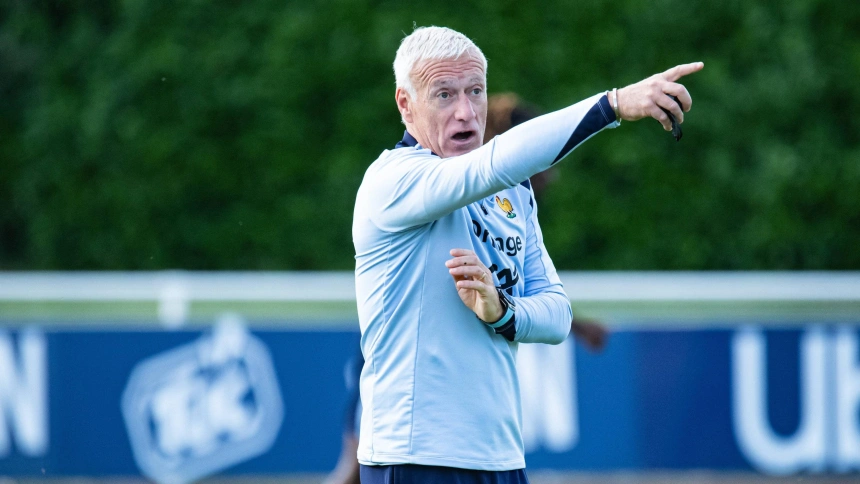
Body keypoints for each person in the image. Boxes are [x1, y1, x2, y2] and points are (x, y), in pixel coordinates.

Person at [353, 26, 701, 483]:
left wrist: (503, 311)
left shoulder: (513, 194)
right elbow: (494, 162)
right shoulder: (391, 181)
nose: (466, 112)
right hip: (415, 458)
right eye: (444, 94)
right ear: (406, 103)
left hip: (501, 458)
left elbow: (556, 314)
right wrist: (613, 105)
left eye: (475, 91)